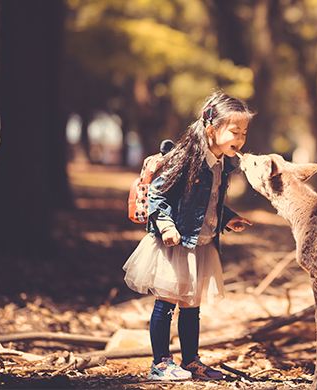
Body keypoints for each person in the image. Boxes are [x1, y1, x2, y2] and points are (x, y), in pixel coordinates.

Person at [123, 91, 253, 381]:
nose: (241, 138)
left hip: (201, 243)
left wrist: (229, 218)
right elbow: (158, 195)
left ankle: (191, 360)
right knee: (166, 302)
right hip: (175, 242)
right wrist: (166, 226)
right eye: (235, 131)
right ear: (211, 128)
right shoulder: (187, 157)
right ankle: (160, 363)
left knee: (192, 306)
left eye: (244, 132)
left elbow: (210, 200)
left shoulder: (223, 162)